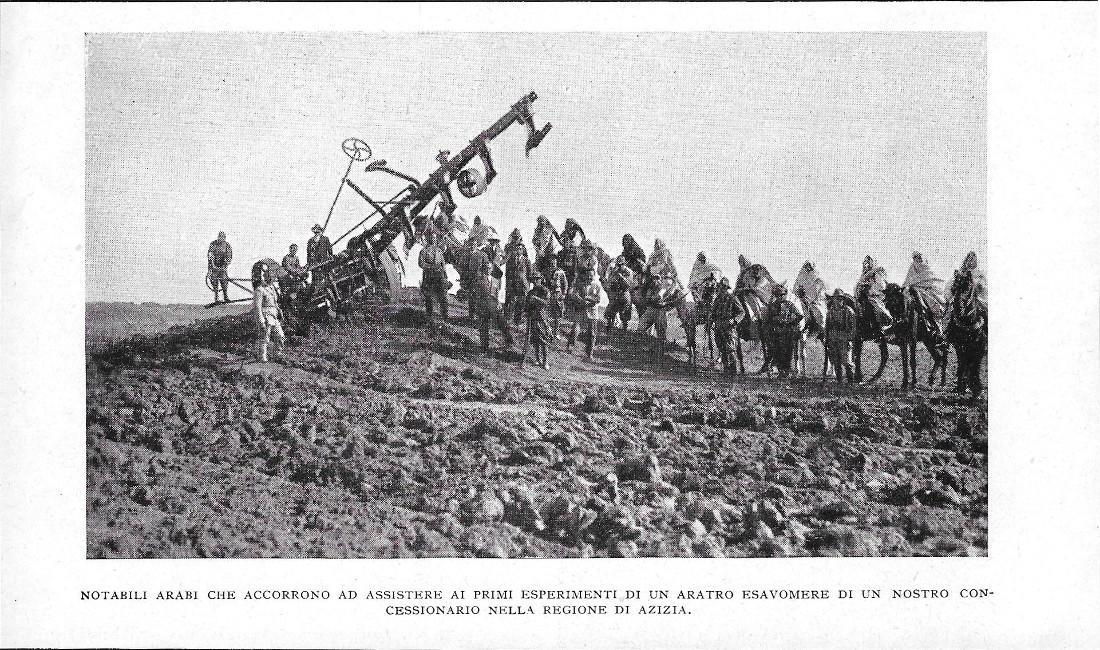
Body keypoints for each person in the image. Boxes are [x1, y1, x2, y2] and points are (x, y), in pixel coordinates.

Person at [471, 255, 514, 352]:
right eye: (486, 268)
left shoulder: (496, 280)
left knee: (502, 323)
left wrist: (499, 303)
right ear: (483, 269)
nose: (488, 269)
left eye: (489, 268)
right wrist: (477, 306)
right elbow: (475, 294)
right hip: (483, 305)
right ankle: (484, 347)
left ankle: (509, 341)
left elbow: (499, 293)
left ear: (492, 269)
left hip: (494, 305)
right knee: (483, 327)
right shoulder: (479, 279)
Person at [903, 251, 946, 335]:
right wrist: (906, 287)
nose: (918, 259)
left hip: (926, 291)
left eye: (919, 257)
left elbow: (932, 281)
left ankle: (936, 328)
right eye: (916, 257)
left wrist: (921, 287)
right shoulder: (912, 268)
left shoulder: (927, 268)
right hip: (913, 289)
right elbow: (908, 280)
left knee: (929, 301)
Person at [767, 283, 803, 377]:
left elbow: (800, 315)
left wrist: (791, 322)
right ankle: (781, 371)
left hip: (788, 332)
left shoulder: (789, 304)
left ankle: (786, 371)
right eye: (778, 295)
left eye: (782, 295)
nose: (780, 297)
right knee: (777, 352)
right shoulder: (772, 306)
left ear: (784, 295)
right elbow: (769, 319)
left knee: (788, 352)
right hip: (776, 332)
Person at [252, 263, 286, 363]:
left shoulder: (272, 289)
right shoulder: (260, 290)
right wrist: (261, 320)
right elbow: (257, 307)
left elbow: (275, 303)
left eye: (272, 277)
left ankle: (277, 354)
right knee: (265, 338)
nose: (271, 279)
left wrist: (280, 311)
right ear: (265, 277)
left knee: (280, 336)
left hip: (274, 315)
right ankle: (262, 357)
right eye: (269, 277)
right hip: (265, 315)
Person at [567, 272, 604, 360]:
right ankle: (570, 346)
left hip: (592, 311)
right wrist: (579, 299)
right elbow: (574, 295)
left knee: (592, 333)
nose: (589, 277)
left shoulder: (597, 286)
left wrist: (588, 298)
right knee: (575, 328)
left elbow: (598, 299)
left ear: (594, 276)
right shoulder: (580, 285)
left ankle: (589, 353)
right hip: (581, 309)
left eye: (591, 275)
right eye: (588, 275)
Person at [711, 276, 744, 372]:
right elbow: (713, 313)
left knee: (730, 349)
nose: (720, 289)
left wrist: (734, 320)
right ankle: (726, 370)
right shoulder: (717, 299)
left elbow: (741, 312)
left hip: (729, 328)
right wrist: (711, 321)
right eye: (719, 287)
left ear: (726, 288)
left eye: (722, 287)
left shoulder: (732, 298)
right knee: (722, 349)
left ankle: (733, 372)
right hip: (718, 327)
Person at [418, 229, 451, 327]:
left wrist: (445, 275)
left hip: (439, 276)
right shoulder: (424, 251)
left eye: (435, 238)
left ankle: (445, 317)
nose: (433, 239)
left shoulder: (439, 251)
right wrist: (431, 267)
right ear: (428, 239)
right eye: (432, 238)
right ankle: (429, 318)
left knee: (443, 297)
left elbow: (443, 264)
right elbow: (421, 263)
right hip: (429, 276)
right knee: (429, 297)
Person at [825, 288, 857, 383]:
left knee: (847, 361)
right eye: (836, 298)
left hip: (844, 339)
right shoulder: (830, 312)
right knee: (836, 361)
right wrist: (827, 338)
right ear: (833, 299)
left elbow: (853, 327)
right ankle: (839, 381)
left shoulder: (849, 311)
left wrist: (850, 339)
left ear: (843, 300)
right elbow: (827, 326)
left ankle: (850, 381)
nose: (839, 301)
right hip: (833, 338)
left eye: (840, 299)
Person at [944, 250, 988, 316]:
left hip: (976, 299)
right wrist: (950, 297)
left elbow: (984, 289)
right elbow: (949, 286)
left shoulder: (980, 274)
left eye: (974, 260)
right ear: (966, 261)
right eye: (970, 260)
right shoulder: (960, 273)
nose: (971, 262)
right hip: (959, 298)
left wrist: (979, 287)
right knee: (949, 313)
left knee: (985, 311)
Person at [504, 229, 533, 325]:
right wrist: (508, 281)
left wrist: (527, 284)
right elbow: (507, 269)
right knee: (510, 300)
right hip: (512, 282)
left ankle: (517, 320)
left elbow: (529, 273)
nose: (518, 250)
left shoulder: (526, 260)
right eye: (517, 249)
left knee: (521, 302)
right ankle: (507, 319)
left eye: (520, 249)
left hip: (522, 284)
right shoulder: (510, 253)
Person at [854, 255, 891, 332]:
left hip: (876, 297)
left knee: (875, 307)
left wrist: (870, 288)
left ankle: (880, 326)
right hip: (863, 297)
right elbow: (858, 285)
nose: (866, 265)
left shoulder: (877, 273)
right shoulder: (864, 275)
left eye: (868, 262)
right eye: (865, 263)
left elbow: (881, 286)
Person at [523, 278, 553, 370]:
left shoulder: (545, 291)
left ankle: (545, 361)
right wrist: (527, 312)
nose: (535, 282)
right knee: (535, 340)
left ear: (541, 280)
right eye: (534, 280)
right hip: (533, 318)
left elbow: (546, 303)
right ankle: (537, 359)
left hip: (543, 318)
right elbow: (527, 305)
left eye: (537, 279)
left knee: (544, 340)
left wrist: (536, 299)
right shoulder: (531, 292)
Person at [603, 255, 636, 331]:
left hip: (625, 293)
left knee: (625, 314)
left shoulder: (628, 271)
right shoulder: (615, 270)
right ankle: (609, 328)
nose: (620, 266)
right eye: (618, 264)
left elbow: (629, 284)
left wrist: (621, 277)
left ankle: (624, 329)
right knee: (610, 311)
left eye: (621, 264)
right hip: (616, 293)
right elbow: (610, 281)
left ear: (624, 264)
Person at [793, 260, 827, 332]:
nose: (808, 268)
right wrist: (799, 293)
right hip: (801, 299)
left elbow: (818, 291)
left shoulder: (818, 279)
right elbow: (795, 287)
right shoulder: (801, 276)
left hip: (815, 301)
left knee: (819, 313)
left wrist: (809, 299)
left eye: (809, 267)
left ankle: (821, 329)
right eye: (806, 266)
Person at [543, 252, 569, 342]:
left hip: (557, 294)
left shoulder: (560, 272)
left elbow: (565, 284)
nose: (553, 261)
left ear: (557, 260)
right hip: (549, 293)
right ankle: (548, 331)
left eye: (554, 259)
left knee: (558, 315)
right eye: (551, 259)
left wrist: (564, 294)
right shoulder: (546, 271)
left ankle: (556, 333)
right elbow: (543, 283)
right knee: (547, 313)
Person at [207, 231, 233, 303]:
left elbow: (229, 256)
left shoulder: (227, 245)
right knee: (214, 282)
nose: (221, 238)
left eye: (223, 237)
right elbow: (210, 255)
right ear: (218, 237)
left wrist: (225, 265)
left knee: (224, 282)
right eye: (220, 237)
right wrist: (211, 267)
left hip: (223, 268)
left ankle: (226, 297)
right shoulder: (213, 244)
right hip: (214, 267)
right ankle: (216, 298)